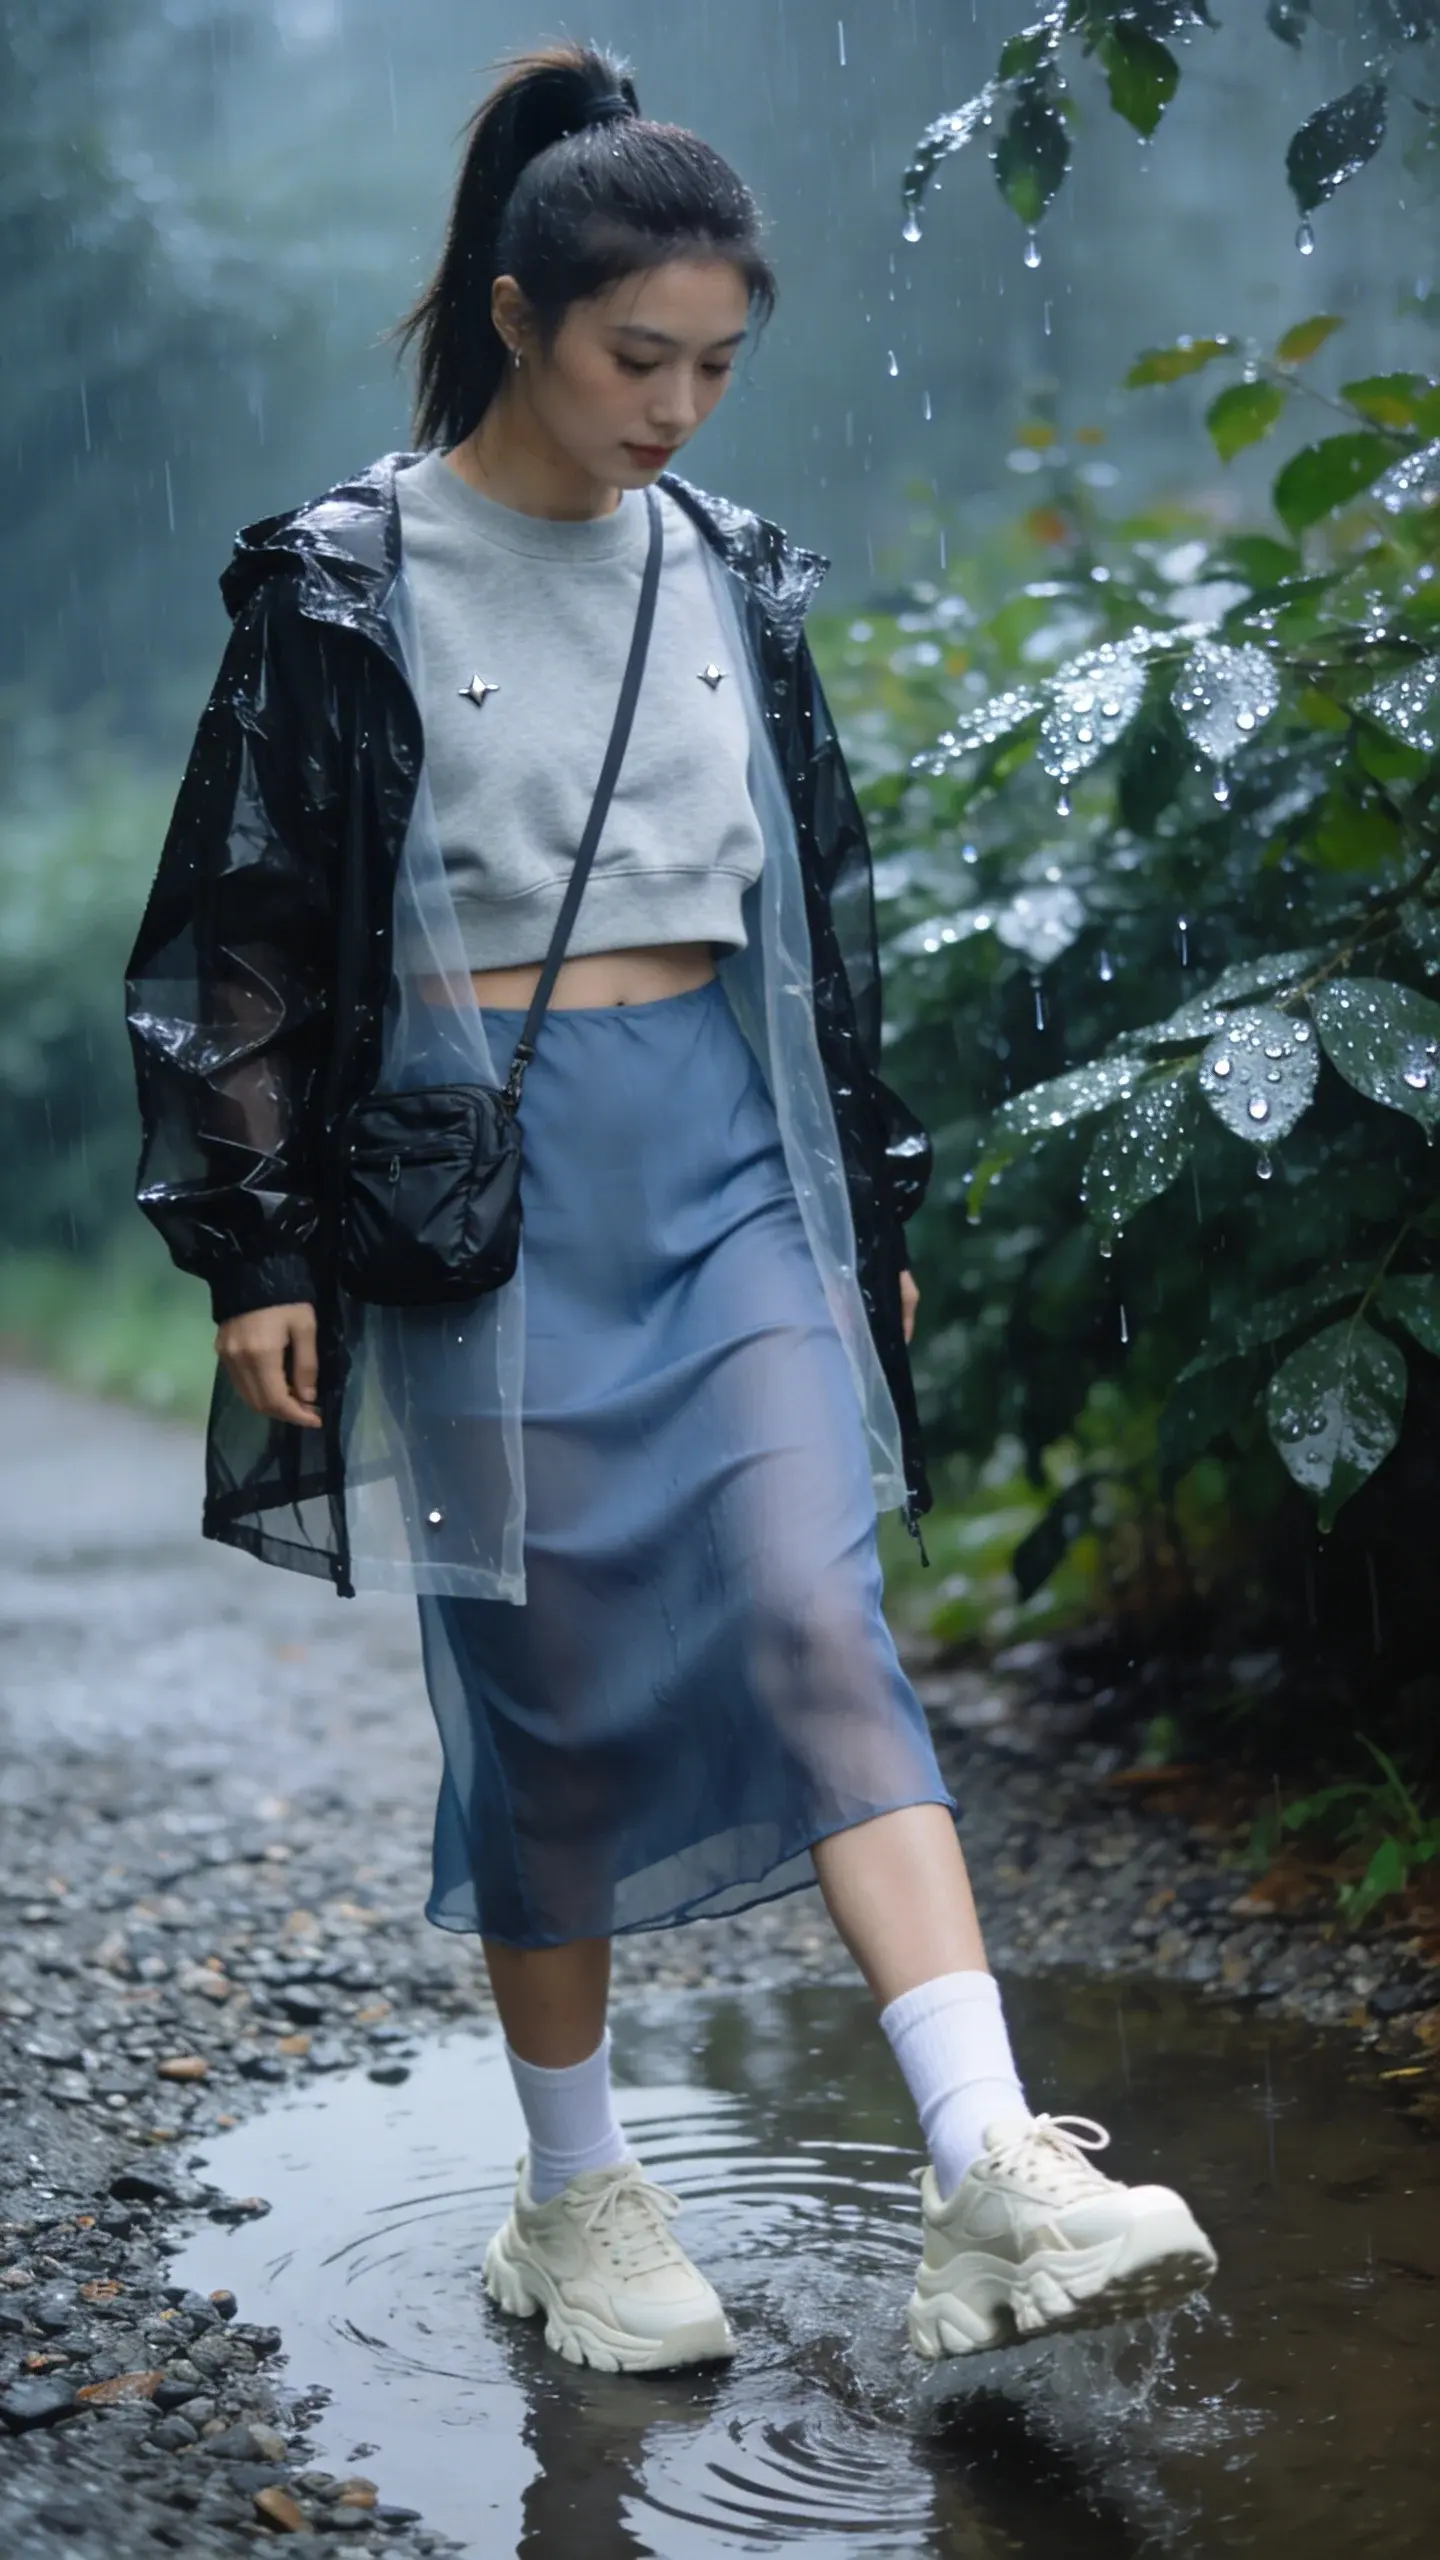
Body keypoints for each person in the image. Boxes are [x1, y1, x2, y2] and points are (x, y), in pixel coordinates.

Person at [124, 39, 1217, 2377]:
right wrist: (258, 1251)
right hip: (478, 1191)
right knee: (563, 1711)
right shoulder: (344, 579)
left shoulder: (731, 570)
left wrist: (868, 1191)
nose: (684, 408)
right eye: (645, 357)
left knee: (824, 1616)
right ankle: (575, 2194)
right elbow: (238, 932)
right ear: (520, 311)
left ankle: (993, 2166)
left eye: (723, 364)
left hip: (726, 1161)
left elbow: (818, 906)